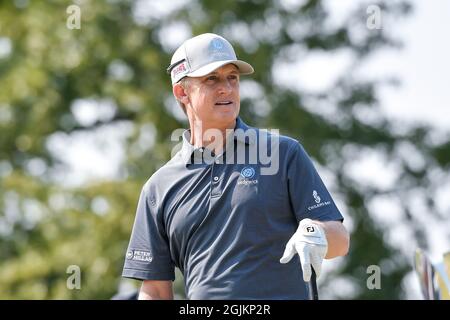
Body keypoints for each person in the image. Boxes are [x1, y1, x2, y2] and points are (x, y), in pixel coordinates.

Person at [121, 33, 350, 300]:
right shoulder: (158, 188)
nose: (226, 88)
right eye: (211, 79)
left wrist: (318, 232)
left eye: (232, 77)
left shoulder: (283, 153)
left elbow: (340, 240)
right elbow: (156, 290)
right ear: (182, 92)